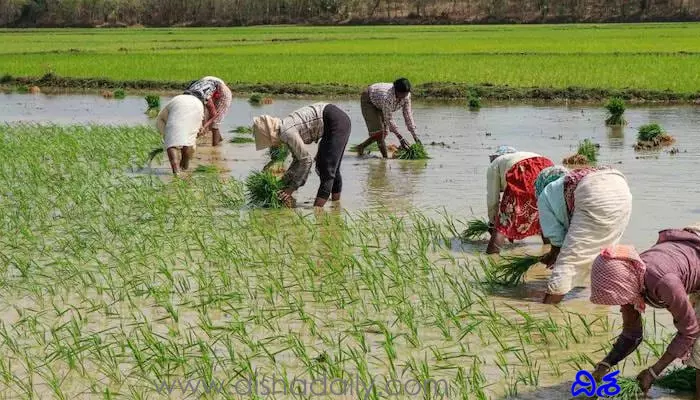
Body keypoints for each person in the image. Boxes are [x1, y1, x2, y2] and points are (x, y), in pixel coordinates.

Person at [589, 224, 700, 397]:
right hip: (692, 254)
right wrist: (606, 364)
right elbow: (632, 334)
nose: (621, 304)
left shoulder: (664, 282)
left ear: (623, 284)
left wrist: (653, 372)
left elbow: (689, 331)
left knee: (699, 353)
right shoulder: (629, 281)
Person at [535, 166, 633, 304]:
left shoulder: (544, 195)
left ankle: (547, 311)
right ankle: (603, 308)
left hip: (593, 190)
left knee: (567, 262)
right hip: (620, 186)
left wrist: (551, 255)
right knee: (605, 254)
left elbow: (557, 241)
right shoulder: (565, 184)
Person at [253, 103, 351, 208]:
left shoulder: (287, 133)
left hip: (335, 121)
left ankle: (317, 210)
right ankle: (336, 206)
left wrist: (291, 188)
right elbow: (297, 160)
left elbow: (306, 161)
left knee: (327, 169)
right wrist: (285, 182)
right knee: (328, 166)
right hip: (333, 120)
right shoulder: (284, 129)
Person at [485, 146, 556, 254]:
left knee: (503, 223)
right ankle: (551, 252)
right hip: (547, 167)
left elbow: (492, 199)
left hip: (522, 170)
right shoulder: (523, 155)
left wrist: (493, 222)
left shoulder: (495, 164)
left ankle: (491, 259)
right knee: (543, 216)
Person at [354, 78, 420, 158]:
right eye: (402, 94)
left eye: (406, 94)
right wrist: (400, 138)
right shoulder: (387, 97)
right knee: (379, 133)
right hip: (369, 100)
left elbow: (407, 114)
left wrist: (415, 136)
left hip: (379, 101)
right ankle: (385, 159)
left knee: (384, 133)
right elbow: (389, 119)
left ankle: (361, 147)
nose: (404, 97)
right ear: (396, 91)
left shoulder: (406, 96)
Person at [156, 94, 205, 176]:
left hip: (179, 104)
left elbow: (170, 137)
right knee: (189, 141)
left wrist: (170, 139)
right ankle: (184, 168)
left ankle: (176, 172)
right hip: (198, 105)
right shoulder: (197, 101)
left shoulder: (160, 119)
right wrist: (200, 127)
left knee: (171, 144)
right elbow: (200, 123)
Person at [184, 76, 232, 147]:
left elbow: (214, 115)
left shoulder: (205, 97)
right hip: (210, 85)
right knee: (207, 119)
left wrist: (204, 126)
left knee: (215, 123)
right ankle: (219, 139)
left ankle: (215, 148)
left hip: (223, 91)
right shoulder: (186, 96)